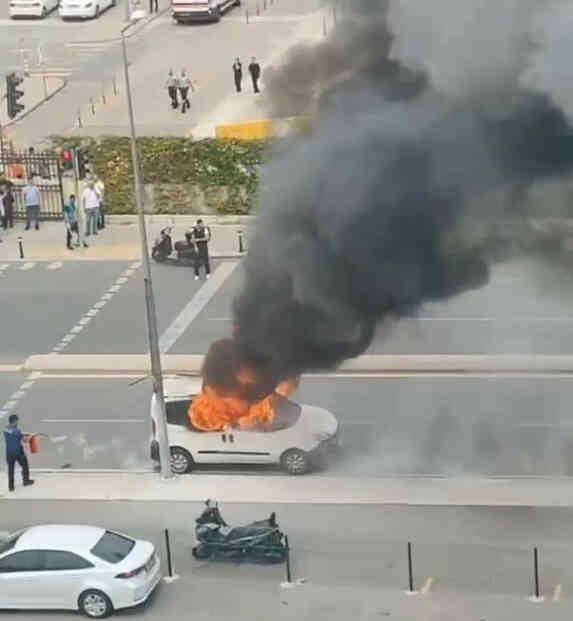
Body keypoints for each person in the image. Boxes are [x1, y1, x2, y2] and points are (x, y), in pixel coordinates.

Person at [3, 414, 34, 492]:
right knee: (24, 464)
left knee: (11, 469)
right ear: (14, 421)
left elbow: (14, 433)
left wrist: (23, 434)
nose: (17, 422)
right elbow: (24, 440)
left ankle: (11, 487)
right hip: (18, 452)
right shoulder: (17, 431)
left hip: (9, 453)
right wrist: (30, 436)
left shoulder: (5, 430)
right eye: (17, 421)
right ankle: (26, 481)